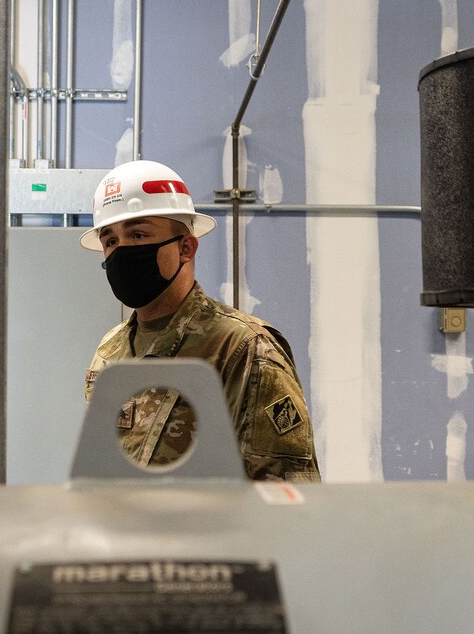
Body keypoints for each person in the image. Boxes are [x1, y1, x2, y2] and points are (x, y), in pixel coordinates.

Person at [81, 160, 321, 482]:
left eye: (138, 235)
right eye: (110, 241)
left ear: (185, 248)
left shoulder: (244, 349)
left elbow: (285, 496)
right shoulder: (110, 351)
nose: (121, 252)